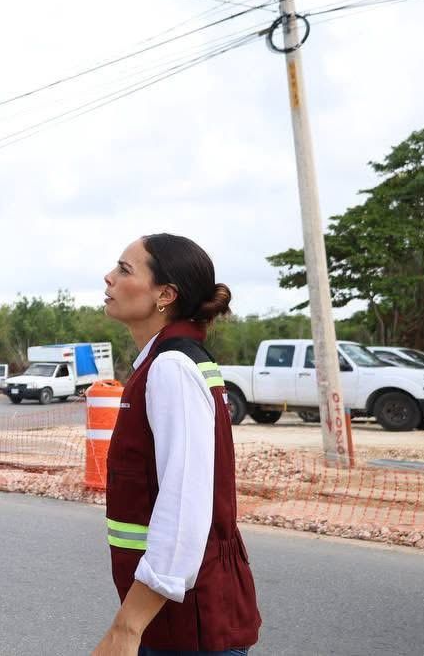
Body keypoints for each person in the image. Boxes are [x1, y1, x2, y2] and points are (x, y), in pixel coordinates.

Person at [93, 234, 261, 656]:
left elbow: (184, 505)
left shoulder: (172, 368)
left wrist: (126, 628)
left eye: (125, 270)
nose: (109, 277)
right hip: (173, 622)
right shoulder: (166, 362)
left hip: (188, 627)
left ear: (165, 295)